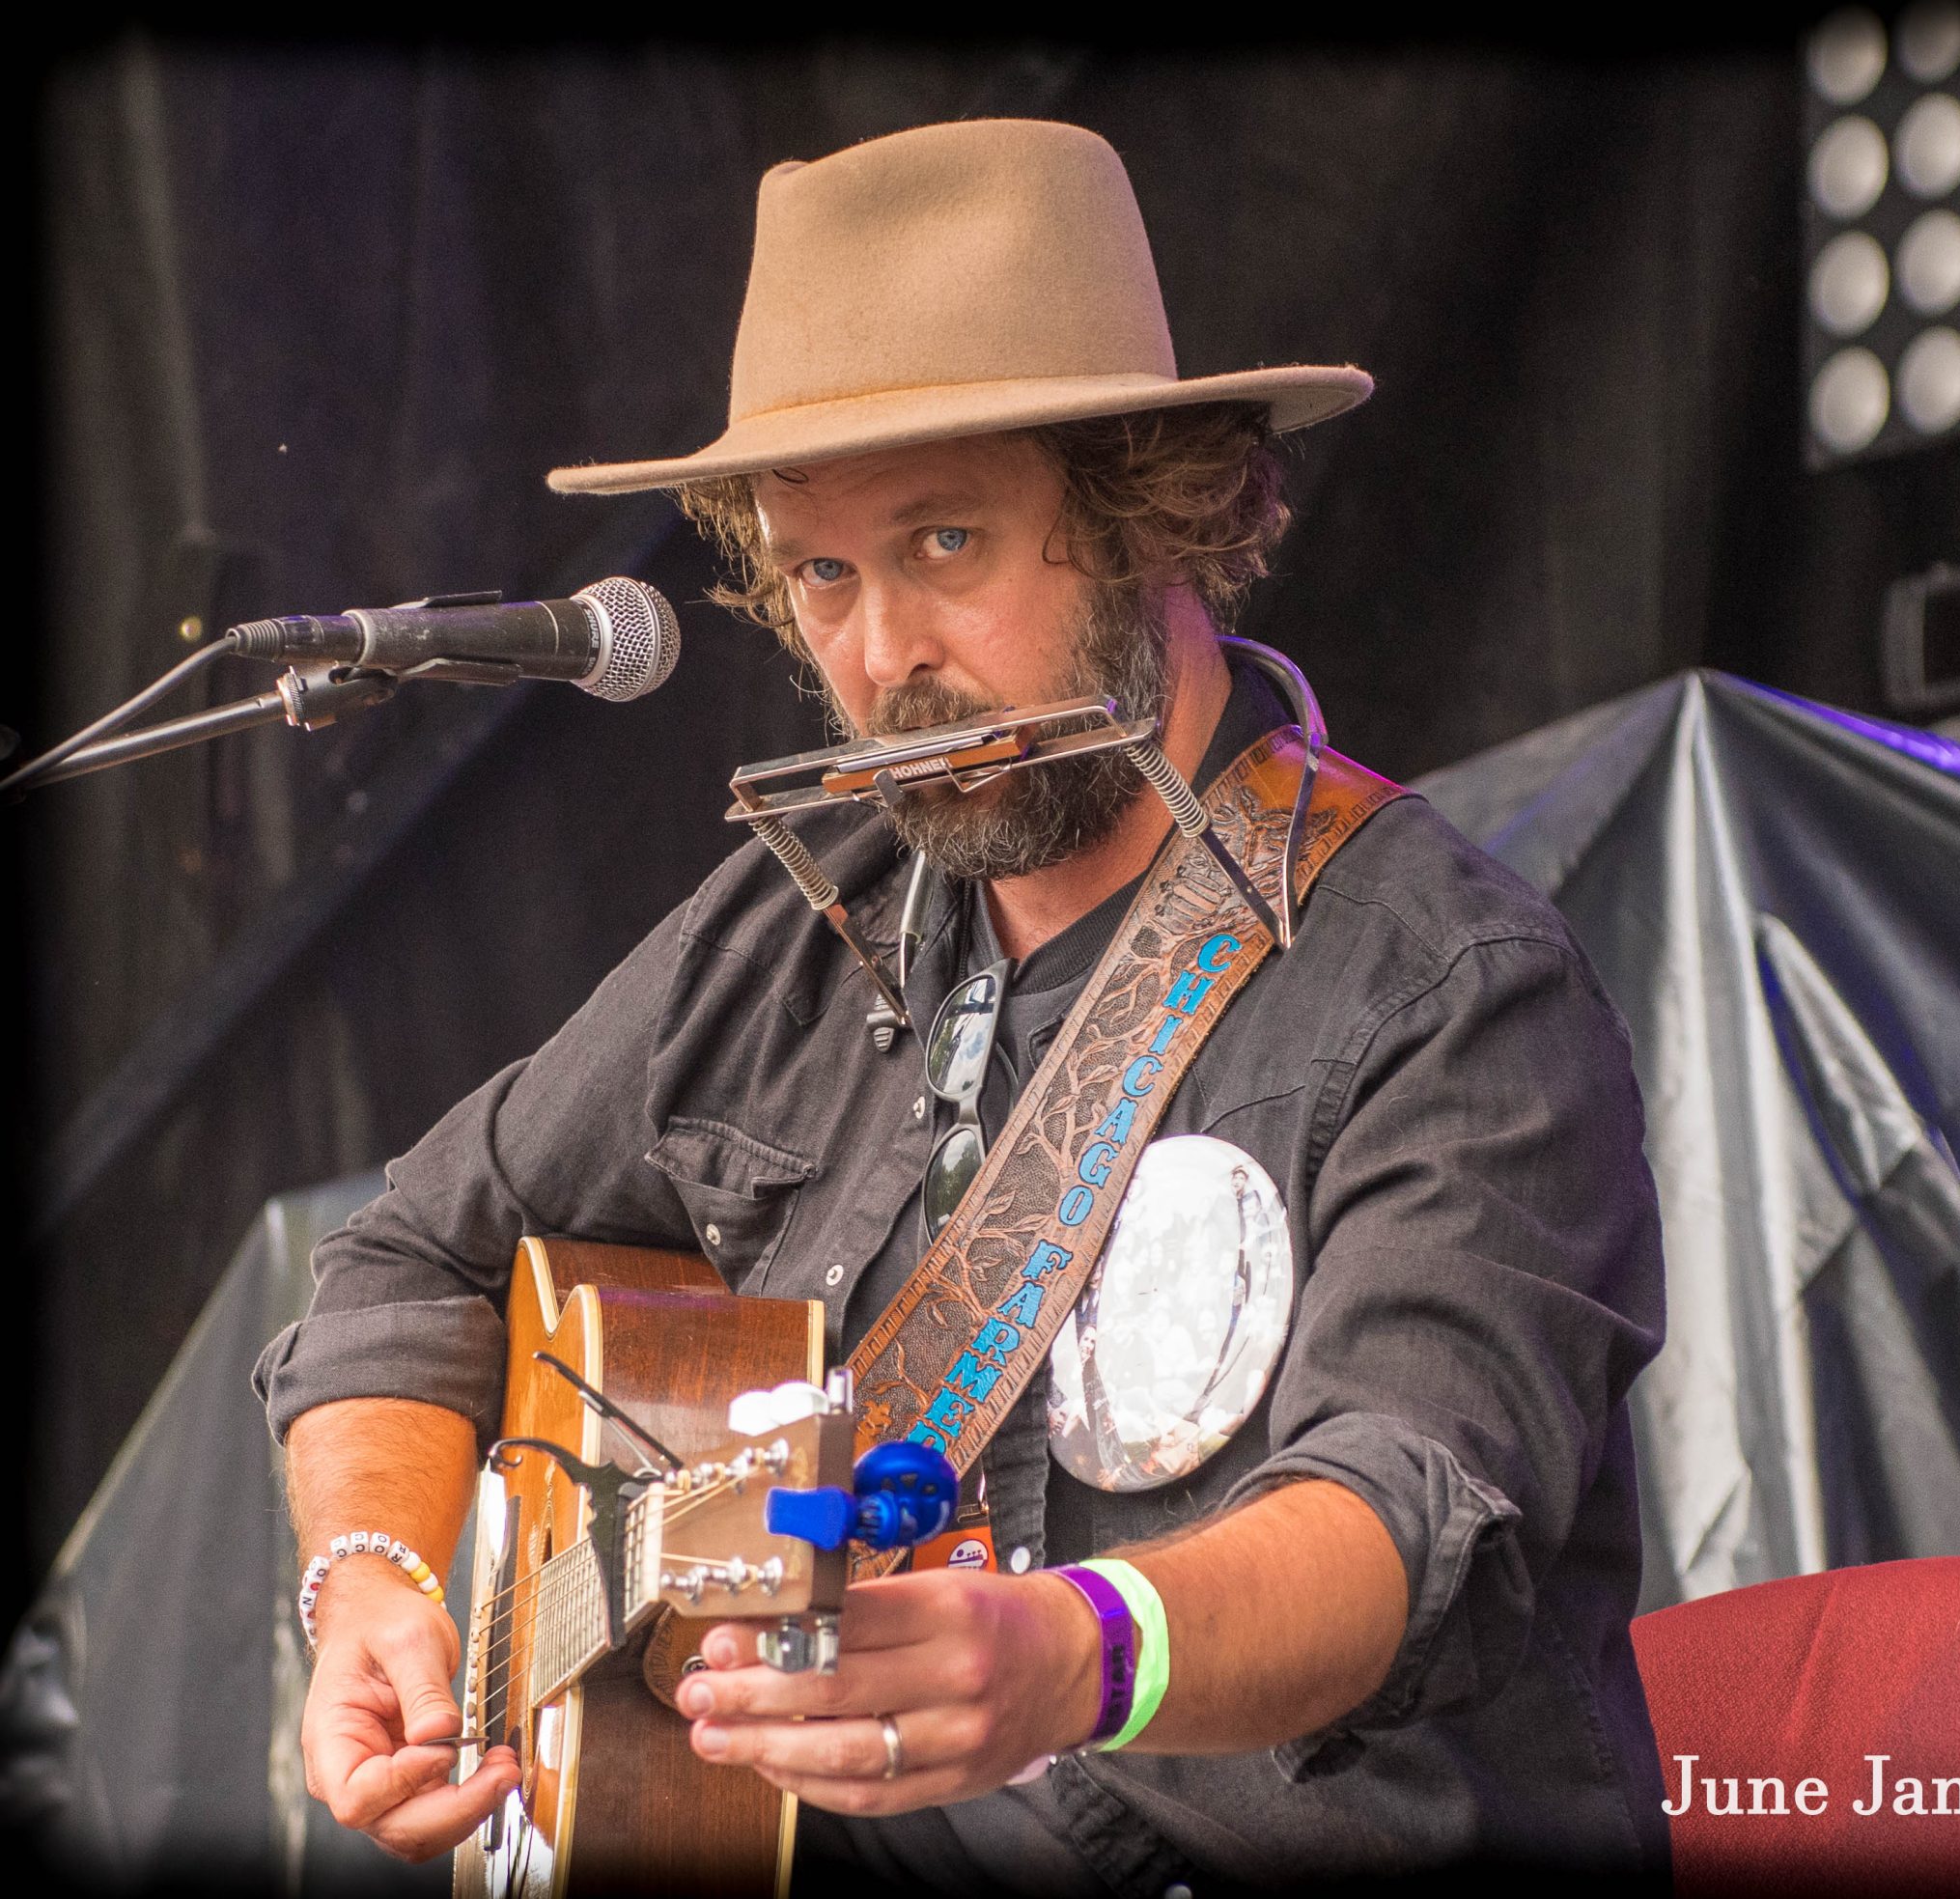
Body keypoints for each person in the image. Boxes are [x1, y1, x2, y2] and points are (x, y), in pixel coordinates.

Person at [254, 117, 1668, 1891]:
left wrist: (1081, 1654)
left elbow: (1407, 1515)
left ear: (1158, 512)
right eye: (823, 573)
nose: (877, 655)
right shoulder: (791, 927)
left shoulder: (1451, 990)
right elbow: (410, 1261)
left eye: (943, 542)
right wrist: (367, 1579)